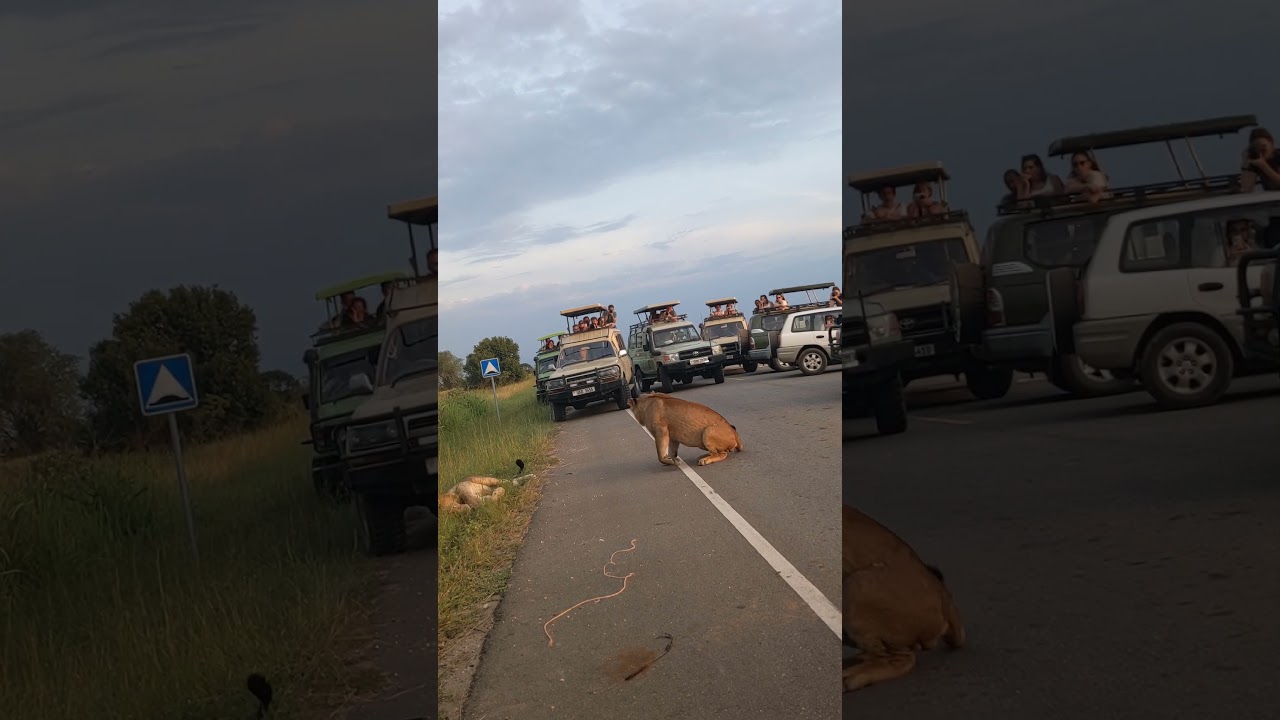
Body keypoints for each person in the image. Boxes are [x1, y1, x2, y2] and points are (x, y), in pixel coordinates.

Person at [1240, 127, 1280, 192]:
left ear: (1271, 144)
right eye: (1256, 149)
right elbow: (1246, 189)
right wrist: (1245, 164)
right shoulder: (1256, 160)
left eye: (1263, 147)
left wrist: (1263, 166)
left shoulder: (1278, 156)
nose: (1260, 153)